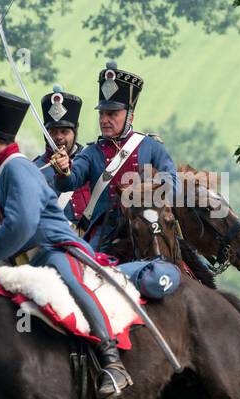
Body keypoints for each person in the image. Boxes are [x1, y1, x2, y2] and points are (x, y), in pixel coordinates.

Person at [0, 78, 132, 399]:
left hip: (54, 249)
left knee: (70, 281)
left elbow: (22, 224)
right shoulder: (19, 167)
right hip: (27, 257)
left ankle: (111, 360)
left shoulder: (15, 169)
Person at [48, 61, 176, 257]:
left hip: (149, 228)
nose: (104, 119)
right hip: (105, 233)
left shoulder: (151, 147)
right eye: (102, 113)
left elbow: (172, 182)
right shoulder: (91, 153)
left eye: (112, 113)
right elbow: (70, 181)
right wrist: (63, 170)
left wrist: (149, 192)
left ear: (129, 117)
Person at [33, 85, 91, 226]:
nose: (58, 137)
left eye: (64, 131)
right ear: (46, 135)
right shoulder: (35, 169)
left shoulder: (90, 160)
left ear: (74, 132)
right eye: (53, 132)